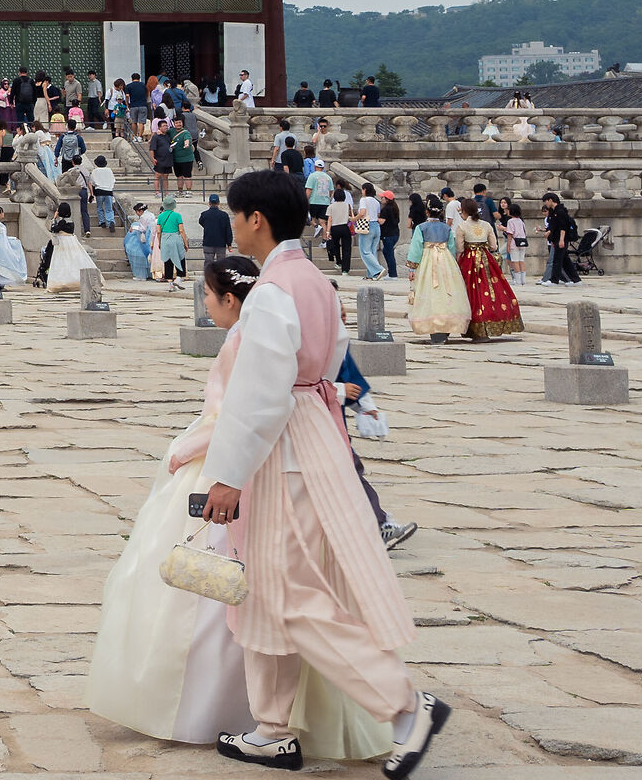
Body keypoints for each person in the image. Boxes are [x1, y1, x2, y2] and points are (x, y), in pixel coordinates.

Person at [87, 251, 390, 762]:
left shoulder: (244, 336)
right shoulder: (309, 294)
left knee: (223, 587)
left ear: (230, 298)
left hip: (237, 461)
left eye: (208, 295)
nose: (205, 304)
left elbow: (242, 410)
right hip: (299, 453)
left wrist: (188, 448)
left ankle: (231, 712)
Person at [194, 170, 447, 777]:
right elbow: (329, 359)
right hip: (312, 427)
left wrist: (227, 473)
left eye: (235, 215)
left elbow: (259, 392)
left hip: (285, 449)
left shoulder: (274, 290)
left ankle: (403, 704)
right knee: (268, 588)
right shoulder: (314, 281)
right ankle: (273, 726)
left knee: (291, 592)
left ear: (256, 218)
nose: (232, 226)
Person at [452, 209, 524, 341]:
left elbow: (460, 248)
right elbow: (493, 246)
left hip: (469, 261)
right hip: (486, 260)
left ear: (465, 212)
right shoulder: (486, 225)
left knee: (471, 293)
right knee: (492, 289)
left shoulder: (462, 226)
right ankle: (491, 321)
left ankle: (474, 326)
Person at [405, 198, 470, 342]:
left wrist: (412, 267)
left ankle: (433, 325)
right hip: (445, 260)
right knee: (447, 291)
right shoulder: (446, 228)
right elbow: (452, 248)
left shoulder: (421, 228)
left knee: (430, 291)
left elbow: (416, 249)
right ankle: (448, 323)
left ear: (426, 212)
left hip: (428, 260)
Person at [44, 216, 99, 293]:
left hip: (62, 244)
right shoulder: (71, 222)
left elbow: (53, 229)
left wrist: (54, 218)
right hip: (72, 242)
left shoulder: (62, 222)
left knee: (61, 263)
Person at [542, 193, 583, 284]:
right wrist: (550, 236)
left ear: (550, 200)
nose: (546, 204)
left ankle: (554, 280)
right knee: (565, 260)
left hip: (562, 238)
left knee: (557, 260)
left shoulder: (560, 211)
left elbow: (563, 227)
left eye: (546, 201)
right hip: (556, 238)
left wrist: (561, 240)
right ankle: (576, 280)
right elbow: (553, 226)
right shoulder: (553, 212)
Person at [0, 203, 28, 286]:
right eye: (2, 212)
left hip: (3, 246)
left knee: (6, 262)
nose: (3, 214)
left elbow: (3, 237)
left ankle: (2, 283)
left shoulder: (0, 224)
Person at [156, 200, 188, 285]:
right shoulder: (177, 216)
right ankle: (178, 277)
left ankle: (169, 281)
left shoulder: (160, 216)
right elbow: (181, 230)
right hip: (176, 238)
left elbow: (158, 231)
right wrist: (185, 243)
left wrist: (159, 242)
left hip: (165, 238)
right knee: (180, 257)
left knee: (168, 259)